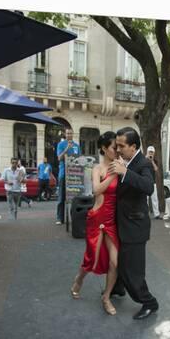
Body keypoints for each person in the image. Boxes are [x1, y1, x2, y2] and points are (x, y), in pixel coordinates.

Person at [107, 127, 159, 320]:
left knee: (133, 271)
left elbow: (148, 187)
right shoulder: (125, 160)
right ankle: (119, 288)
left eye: (121, 145)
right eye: (117, 144)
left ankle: (149, 302)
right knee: (120, 261)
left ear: (133, 146)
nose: (118, 148)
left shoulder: (143, 163)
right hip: (123, 223)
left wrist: (125, 172)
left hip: (135, 228)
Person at [70, 132, 120, 316]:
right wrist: (113, 174)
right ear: (104, 148)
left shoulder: (120, 167)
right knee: (92, 258)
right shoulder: (98, 168)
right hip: (98, 217)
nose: (117, 150)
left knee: (115, 262)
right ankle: (79, 278)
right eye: (115, 147)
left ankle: (106, 297)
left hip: (113, 220)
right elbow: (96, 190)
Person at [55, 128, 81, 225]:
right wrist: (66, 149)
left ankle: (73, 217)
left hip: (74, 174)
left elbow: (79, 159)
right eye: (67, 133)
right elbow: (59, 158)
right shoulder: (61, 144)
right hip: (63, 173)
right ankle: (59, 218)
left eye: (71, 133)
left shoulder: (77, 146)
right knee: (61, 197)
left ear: (73, 134)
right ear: (65, 134)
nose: (69, 135)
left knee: (74, 197)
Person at [145, 145, 161, 219]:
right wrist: (146, 158)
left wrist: (152, 161)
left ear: (154, 153)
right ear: (147, 152)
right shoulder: (143, 160)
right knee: (146, 199)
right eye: (150, 152)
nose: (151, 153)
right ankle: (146, 214)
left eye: (152, 152)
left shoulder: (155, 161)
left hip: (153, 182)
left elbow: (156, 169)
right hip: (145, 182)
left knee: (154, 199)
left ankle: (156, 214)